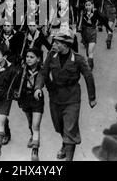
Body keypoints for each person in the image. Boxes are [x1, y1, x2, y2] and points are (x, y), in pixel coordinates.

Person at [34, 30, 97, 161]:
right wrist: (38, 87)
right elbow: (43, 72)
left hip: (71, 98)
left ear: (65, 45)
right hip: (55, 97)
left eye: (57, 43)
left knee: (70, 128)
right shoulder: (52, 55)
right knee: (59, 126)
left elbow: (88, 76)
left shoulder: (78, 59)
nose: (53, 45)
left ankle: (69, 157)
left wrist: (92, 98)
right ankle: (65, 143)